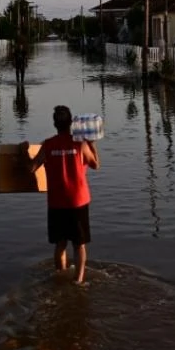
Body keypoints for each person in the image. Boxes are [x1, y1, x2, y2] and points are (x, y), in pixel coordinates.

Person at [24, 106, 100, 284]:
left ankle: (60, 276)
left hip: (57, 202)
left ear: (54, 124)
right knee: (79, 244)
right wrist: (92, 144)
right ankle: (79, 281)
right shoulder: (80, 144)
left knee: (60, 244)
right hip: (78, 201)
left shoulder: (48, 145)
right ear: (71, 123)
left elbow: (31, 168)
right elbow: (96, 164)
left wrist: (23, 151)